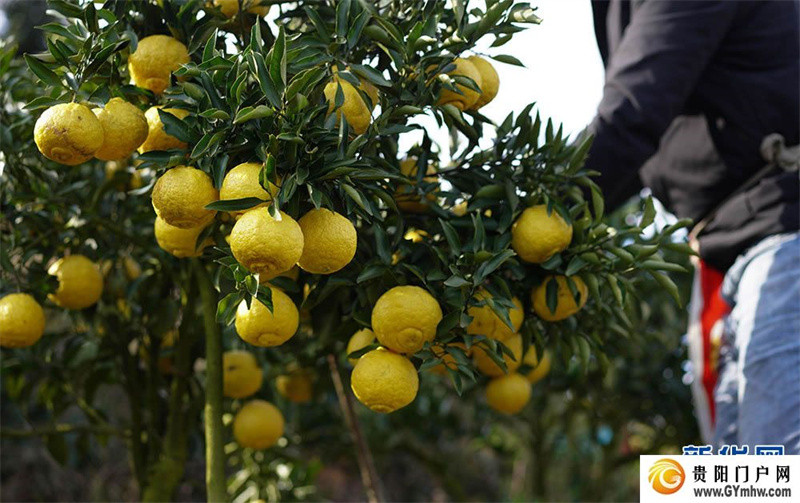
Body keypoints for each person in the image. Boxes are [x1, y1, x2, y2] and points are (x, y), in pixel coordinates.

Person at [585, 0, 799, 453]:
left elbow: (633, 112)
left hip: (784, 239)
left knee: (780, 471)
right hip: (738, 248)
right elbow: (641, 130)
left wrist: (524, 212)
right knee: (745, 479)